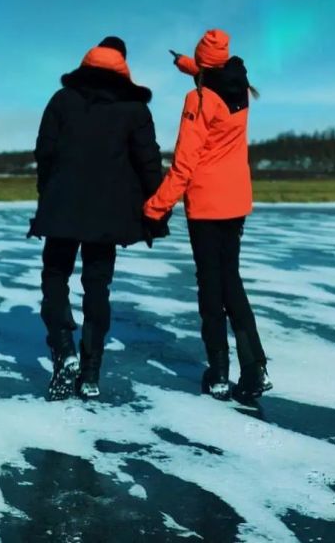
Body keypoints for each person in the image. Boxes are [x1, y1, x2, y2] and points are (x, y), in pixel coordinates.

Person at [27, 36, 166, 400]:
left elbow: (45, 151)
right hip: (108, 215)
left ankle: (63, 348)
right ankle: (90, 373)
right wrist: (158, 208)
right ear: (123, 65)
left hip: (63, 206)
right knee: (97, 286)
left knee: (55, 275)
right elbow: (148, 162)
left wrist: (48, 195)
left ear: (87, 62)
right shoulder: (134, 109)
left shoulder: (62, 100)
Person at [143, 28, 271, 402]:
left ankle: (217, 372)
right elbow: (214, 74)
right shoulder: (240, 89)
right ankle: (254, 366)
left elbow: (183, 165)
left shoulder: (198, 99)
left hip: (207, 206)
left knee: (211, 288)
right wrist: (187, 64)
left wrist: (155, 207)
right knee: (231, 280)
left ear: (205, 64)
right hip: (236, 202)